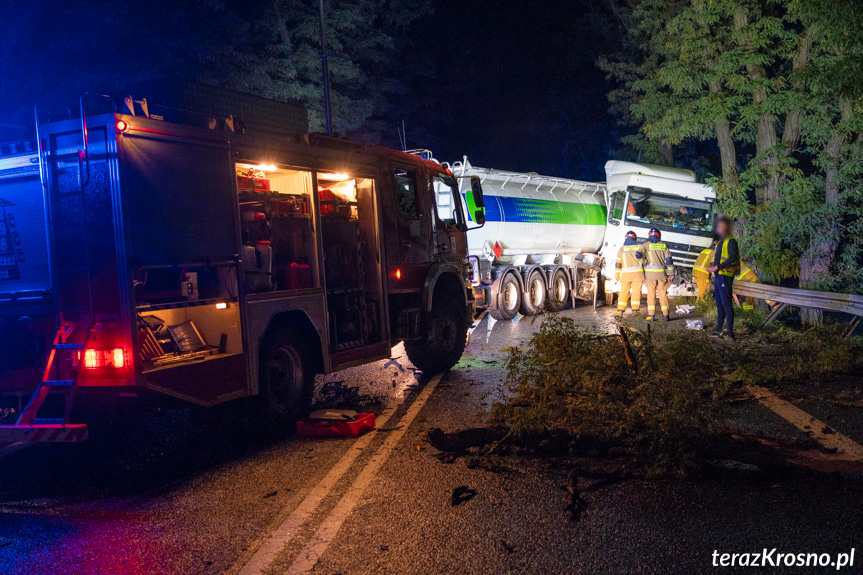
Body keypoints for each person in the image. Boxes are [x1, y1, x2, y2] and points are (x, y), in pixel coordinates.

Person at [706, 217, 740, 339]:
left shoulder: (731, 241)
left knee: (726, 304)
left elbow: (732, 257)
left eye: (722, 226)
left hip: (725, 276)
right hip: (719, 276)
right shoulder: (722, 241)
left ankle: (729, 332)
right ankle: (719, 329)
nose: (719, 229)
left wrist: (717, 267)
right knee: (719, 303)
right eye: (718, 226)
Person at [640, 228, 674, 322]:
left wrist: (643, 262)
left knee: (651, 295)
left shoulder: (646, 245)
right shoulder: (663, 245)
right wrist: (671, 273)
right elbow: (669, 261)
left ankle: (651, 316)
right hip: (661, 275)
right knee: (663, 295)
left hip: (650, 276)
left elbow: (638, 254)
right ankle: (666, 316)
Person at [614, 230, 645, 317]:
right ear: (635, 238)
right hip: (638, 275)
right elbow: (644, 262)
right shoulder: (640, 248)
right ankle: (635, 311)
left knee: (623, 292)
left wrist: (616, 275)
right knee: (636, 292)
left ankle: (620, 311)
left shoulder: (622, 249)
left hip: (626, 276)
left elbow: (618, 264)